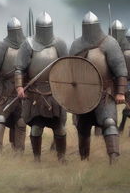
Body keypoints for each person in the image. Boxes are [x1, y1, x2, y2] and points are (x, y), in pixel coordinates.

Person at [70, 11, 127, 164]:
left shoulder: (109, 43)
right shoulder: (76, 45)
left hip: (105, 93)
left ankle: (113, 159)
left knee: (109, 122)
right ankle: (84, 160)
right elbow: (69, 71)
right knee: (83, 127)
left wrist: (120, 92)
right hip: (83, 94)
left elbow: (120, 70)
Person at [15, 11, 68, 162]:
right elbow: (19, 68)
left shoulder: (60, 44)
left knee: (60, 128)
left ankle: (61, 157)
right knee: (36, 128)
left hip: (54, 92)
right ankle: (37, 159)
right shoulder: (28, 45)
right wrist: (19, 87)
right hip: (35, 93)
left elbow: (68, 67)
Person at [0, 17, 26, 153]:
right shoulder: (2, 46)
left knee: (20, 122)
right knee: (0, 120)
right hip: (4, 90)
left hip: (22, 90)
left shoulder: (27, 45)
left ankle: (19, 152)